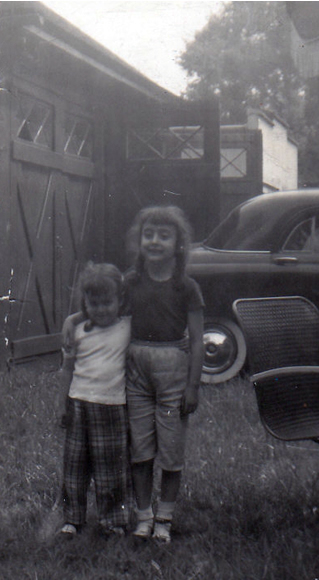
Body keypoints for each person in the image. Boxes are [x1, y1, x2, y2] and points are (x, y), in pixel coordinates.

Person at [123, 206, 204, 542]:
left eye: (164, 235)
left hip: (173, 366)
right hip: (136, 366)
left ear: (178, 244)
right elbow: (104, 318)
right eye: (149, 234)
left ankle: (165, 520)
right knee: (139, 447)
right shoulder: (129, 282)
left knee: (171, 449)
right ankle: (144, 517)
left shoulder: (186, 287)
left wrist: (192, 386)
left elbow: (198, 339)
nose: (155, 241)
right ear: (140, 240)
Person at [56, 262, 132, 537]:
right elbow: (67, 369)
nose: (100, 309)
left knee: (110, 467)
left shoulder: (127, 327)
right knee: (74, 465)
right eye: (93, 303)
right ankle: (72, 518)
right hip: (78, 403)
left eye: (107, 302)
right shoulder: (77, 331)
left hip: (112, 406)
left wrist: (72, 317)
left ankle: (113, 520)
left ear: (120, 300)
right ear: (85, 302)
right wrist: (62, 403)